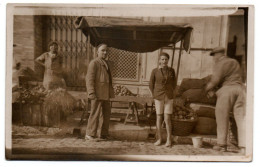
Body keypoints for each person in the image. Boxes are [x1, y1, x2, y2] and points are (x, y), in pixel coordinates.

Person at [204, 47, 246, 153]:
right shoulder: (235, 62)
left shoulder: (220, 63)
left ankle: (222, 145)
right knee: (241, 119)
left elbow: (215, 81)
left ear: (218, 54)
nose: (213, 58)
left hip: (227, 90)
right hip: (240, 90)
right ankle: (244, 146)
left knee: (222, 117)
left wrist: (206, 89)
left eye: (214, 56)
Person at [85, 43, 114, 141]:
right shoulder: (94, 63)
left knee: (106, 114)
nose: (105, 52)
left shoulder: (106, 63)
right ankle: (90, 134)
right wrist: (91, 92)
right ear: (97, 52)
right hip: (97, 93)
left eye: (106, 51)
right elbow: (89, 79)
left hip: (105, 94)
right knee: (95, 114)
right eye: (103, 50)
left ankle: (103, 134)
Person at [149, 52, 177, 147]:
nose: (164, 61)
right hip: (158, 96)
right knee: (159, 117)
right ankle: (159, 139)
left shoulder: (171, 71)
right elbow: (151, 84)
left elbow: (174, 83)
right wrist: (155, 95)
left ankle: (169, 139)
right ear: (159, 60)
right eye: (162, 59)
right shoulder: (155, 71)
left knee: (167, 118)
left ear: (168, 60)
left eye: (166, 59)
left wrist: (172, 92)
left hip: (169, 96)